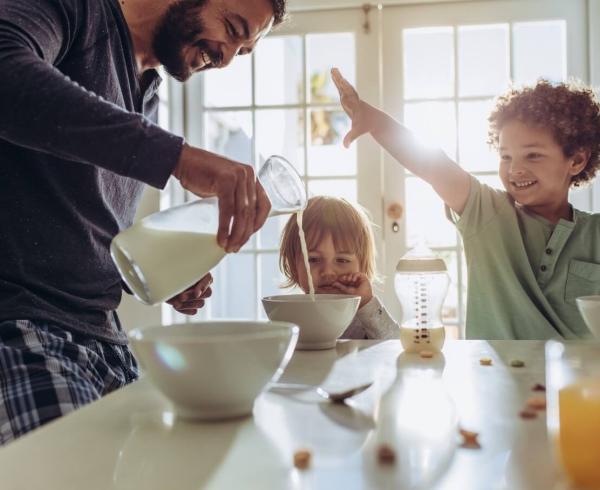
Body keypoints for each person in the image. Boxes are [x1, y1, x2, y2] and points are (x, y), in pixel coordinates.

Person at [0, 0, 286, 443]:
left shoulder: (147, 94)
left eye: (243, 50)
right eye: (231, 29)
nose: (227, 57)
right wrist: (176, 157)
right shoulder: (79, 12)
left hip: (107, 342)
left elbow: (85, 232)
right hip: (24, 329)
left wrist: (156, 274)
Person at [331, 68, 600, 340]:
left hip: (578, 379)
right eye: (506, 156)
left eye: (533, 155)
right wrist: (374, 121)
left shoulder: (595, 232)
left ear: (576, 161)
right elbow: (432, 163)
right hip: (494, 377)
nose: (515, 169)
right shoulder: (487, 213)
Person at [279, 196, 398, 340]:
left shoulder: (365, 316)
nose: (328, 272)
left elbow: (394, 344)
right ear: (293, 265)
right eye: (313, 259)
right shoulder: (289, 315)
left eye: (342, 260)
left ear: (362, 265)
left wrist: (367, 304)